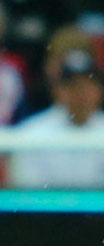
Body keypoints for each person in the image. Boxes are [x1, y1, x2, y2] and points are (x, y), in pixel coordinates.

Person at [10, 48, 104, 188]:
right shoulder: (31, 133)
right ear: (58, 90)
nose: (81, 92)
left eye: (88, 84)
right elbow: (28, 191)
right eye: (72, 85)